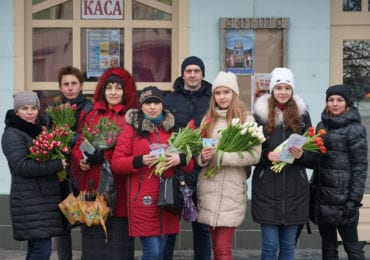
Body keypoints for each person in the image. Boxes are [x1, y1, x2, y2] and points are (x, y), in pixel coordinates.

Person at [111, 86, 195, 260]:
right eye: (147, 103)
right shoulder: (131, 130)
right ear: (141, 106)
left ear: (162, 105)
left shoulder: (173, 129)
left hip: (168, 198)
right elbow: (116, 163)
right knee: (153, 251)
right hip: (143, 199)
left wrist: (180, 159)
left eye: (156, 102)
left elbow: (189, 165)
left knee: (163, 251)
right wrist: (140, 160)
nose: (152, 106)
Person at [71, 67, 138, 259]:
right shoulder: (92, 115)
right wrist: (82, 159)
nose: (114, 92)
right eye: (109, 88)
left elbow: (132, 150)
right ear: (103, 91)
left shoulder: (130, 117)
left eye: (118, 88)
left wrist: (105, 157)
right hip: (91, 188)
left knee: (118, 244)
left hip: (118, 190)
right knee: (92, 243)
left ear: (125, 92)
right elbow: (79, 143)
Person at [197, 71, 262, 260]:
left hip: (231, 189)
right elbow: (197, 152)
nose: (222, 97)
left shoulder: (246, 120)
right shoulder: (207, 120)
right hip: (208, 188)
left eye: (226, 92)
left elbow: (254, 155)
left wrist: (221, 156)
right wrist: (202, 156)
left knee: (222, 247)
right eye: (218, 93)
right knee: (215, 246)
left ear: (234, 94)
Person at [252, 67, 314, 260]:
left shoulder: (303, 117)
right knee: (270, 246)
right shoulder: (259, 116)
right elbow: (250, 152)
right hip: (267, 189)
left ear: (292, 90)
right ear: (272, 89)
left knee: (288, 246)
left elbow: (314, 156)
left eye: (287, 88)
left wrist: (301, 155)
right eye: (279, 87)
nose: (283, 92)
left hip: (295, 190)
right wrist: (266, 156)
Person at [1, 91, 67, 259]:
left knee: (36, 248)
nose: (30, 112)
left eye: (34, 108)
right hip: (29, 199)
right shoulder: (12, 133)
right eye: (24, 108)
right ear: (16, 111)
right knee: (42, 250)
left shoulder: (38, 131)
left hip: (41, 200)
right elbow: (21, 166)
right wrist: (56, 164)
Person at [309, 84, 368, 260]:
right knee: (328, 248)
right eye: (331, 100)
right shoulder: (321, 125)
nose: (335, 104)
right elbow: (316, 160)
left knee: (353, 248)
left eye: (339, 100)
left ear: (347, 103)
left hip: (344, 201)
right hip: (323, 198)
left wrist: (353, 200)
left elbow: (360, 167)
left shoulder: (355, 129)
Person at [164, 56, 212, 260]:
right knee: (170, 225)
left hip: (203, 170)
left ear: (202, 74)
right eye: (188, 71)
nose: (192, 75)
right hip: (176, 170)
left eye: (196, 71)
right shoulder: (170, 99)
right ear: (182, 74)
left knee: (202, 227)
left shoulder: (212, 99)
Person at [50, 66, 93, 260]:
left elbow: (92, 140)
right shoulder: (54, 112)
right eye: (65, 84)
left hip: (84, 173)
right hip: (61, 175)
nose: (70, 88)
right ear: (59, 88)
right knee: (62, 225)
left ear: (81, 85)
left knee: (86, 221)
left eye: (74, 83)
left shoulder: (90, 109)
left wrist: (70, 137)